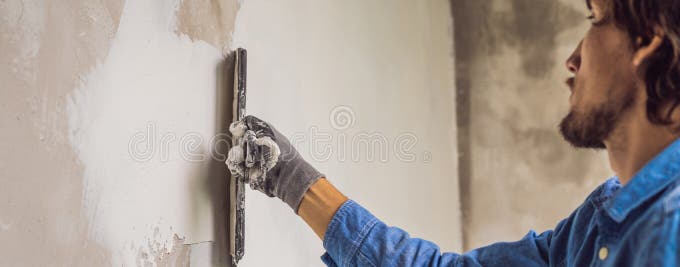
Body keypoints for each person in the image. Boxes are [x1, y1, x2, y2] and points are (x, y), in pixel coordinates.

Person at [225, 0, 680, 265]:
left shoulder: (668, 233)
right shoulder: (599, 222)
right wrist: (292, 179)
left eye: (595, 18)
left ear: (647, 41)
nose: (573, 59)